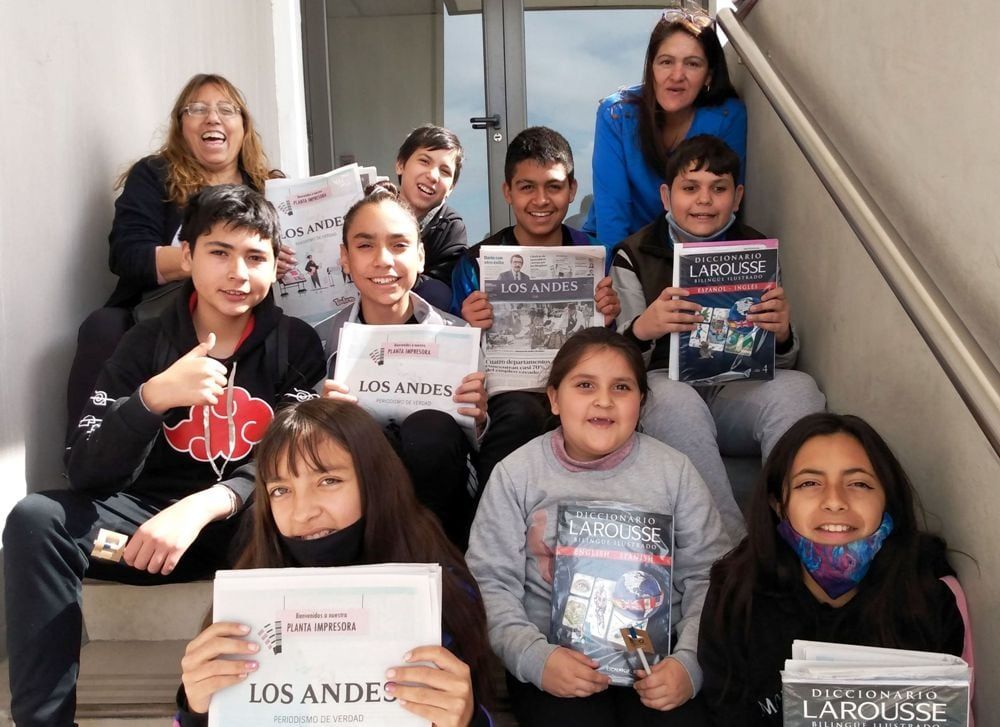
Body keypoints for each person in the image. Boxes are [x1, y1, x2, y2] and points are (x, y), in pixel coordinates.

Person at [3, 185, 327, 727]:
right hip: (141, 542)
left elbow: (294, 457)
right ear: (190, 255)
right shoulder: (141, 344)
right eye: (220, 253)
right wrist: (153, 398)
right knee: (38, 519)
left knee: (311, 507)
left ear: (275, 267)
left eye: (255, 257)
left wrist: (207, 504)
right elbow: (85, 468)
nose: (238, 274)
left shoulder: (294, 344)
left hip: (251, 531)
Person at [466, 327, 730, 726]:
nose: (603, 401)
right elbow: (489, 581)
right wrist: (536, 658)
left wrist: (689, 664)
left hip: (659, 662)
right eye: (585, 385)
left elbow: (709, 576)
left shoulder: (673, 473)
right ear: (554, 398)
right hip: (556, 663)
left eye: (622, 387)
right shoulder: (516, 475)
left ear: (641, 401)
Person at [175, 398, 494, 726]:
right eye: (281, 490)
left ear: (376, 483)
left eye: (328, 481)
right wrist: (197, 711)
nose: (303, 511)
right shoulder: (245, 603)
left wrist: (467, 719)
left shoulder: (443, 596)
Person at [698, 412, 974, 726]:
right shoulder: (735, 591)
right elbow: (726, 711)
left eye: (858, 483)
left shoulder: (931, 596)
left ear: (888, 499)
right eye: (809, 483)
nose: (835, 501)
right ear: (779, 504)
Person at [613, 135, 825, 539]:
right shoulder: (633, 253)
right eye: (690, 188)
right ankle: (727, 546)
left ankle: (799, 533)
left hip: (735, 388)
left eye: (719, 188)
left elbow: (777, 365)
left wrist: (780, 336)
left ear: (737, 195)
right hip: (666, 381)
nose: (704, 200)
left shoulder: (757, 249)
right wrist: (644, 328)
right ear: (665, 196)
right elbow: (622, 372)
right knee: (669, 400)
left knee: (799, 389)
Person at [66, 73, 295, 435]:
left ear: (244, 126)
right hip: (160, 312)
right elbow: (127, 255)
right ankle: (83, 446)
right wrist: (205, 262)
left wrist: (266, 263)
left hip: (248, 314)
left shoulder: (272, 186)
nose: (213, 118)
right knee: (102, 325)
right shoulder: (154, 175)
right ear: (180, 126)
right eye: (197, 109)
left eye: (226, 109)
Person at [450, 126, 621, 484]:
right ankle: (491, 523)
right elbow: (453, 356)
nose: (541, 200)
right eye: (527, 187)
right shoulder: (476, 263)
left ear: (572, 190)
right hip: (508, 392)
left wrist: (609, 317)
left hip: (581, 384)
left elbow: (616, 343)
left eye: (554, 186)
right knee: (520, 413)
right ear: (507, 192)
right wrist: (467, 326)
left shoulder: (596, 256)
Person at [320, 182, 487, 547]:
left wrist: (478, 418)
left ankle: (441, 563)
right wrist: (322, 416)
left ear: (421, 256)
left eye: (399, 245)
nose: (383, 260)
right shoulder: (322, 342)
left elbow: (475, 448)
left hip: (443, 506)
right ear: (344, 258)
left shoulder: (458, 336)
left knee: (431, 429)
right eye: (365, 246)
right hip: (363, 503)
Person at [582, 3, 746, 248]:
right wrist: (618, 278)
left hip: (690, 247)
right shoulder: (617, 114)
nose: (677, 75)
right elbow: (612, 215)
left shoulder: (727, 116)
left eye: (692, 64)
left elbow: (726, 206)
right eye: (666, 62)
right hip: (622, 248)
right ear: (651, 68)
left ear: (709, 75)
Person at [395, 124, 469, 309]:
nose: (433, 176)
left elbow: (442, 289)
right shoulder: (371, 210)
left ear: (451, 188)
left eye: (445, 171)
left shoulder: (450, 226)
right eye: (424, 161)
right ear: (400, 165)